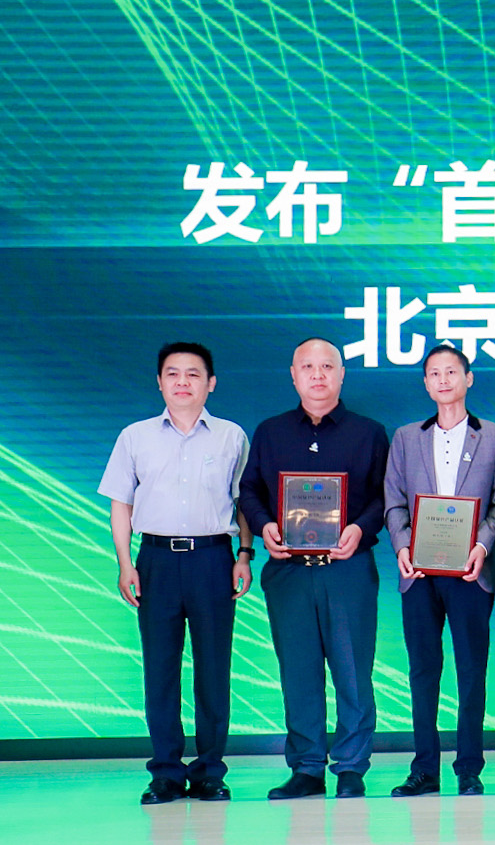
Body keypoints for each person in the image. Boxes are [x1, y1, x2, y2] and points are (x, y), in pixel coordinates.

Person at [98, 343, 252, 804]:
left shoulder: (231, 436)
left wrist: (244, 555)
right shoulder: (135, 436)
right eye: (172, 373)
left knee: (213, 669)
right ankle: (165, 771)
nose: (182, 381)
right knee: (160, 669)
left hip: (213, 559)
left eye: (193, 373)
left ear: (211, 383)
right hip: (156, 560)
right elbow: (121, 504)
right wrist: (125, 563)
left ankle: (210, 771)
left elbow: (244, 502)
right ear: (160, 382)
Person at [238, 337, 391, 800]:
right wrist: (263, 526)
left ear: (342, 374)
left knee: (353, 670)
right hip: (288, 570)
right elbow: (249, 491)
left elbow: (387, 496)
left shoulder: (369, 433)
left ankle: (351, 766)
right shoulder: (270, 432)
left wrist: (359, 529)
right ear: (293, 375)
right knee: (298, 671)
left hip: (348, 568)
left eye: (327, 366)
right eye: (308, 366)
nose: (318, 374)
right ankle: (306, 767)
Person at [382, 344, 495, 797]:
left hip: (471, 570)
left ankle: (469, 767)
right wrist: (403, 546)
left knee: (471, 670)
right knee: (423, 670)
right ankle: (424, 769)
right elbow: (394, 501)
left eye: (451, 372)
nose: (443, 380)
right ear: (425, 383)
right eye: (434, 373)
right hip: (419, 572)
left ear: (468, 379)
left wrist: (481, 545)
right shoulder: (406, 437)